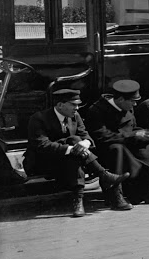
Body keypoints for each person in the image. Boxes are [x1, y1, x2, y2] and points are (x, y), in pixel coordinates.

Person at [23, 89, 122, 217]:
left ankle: (78, 201)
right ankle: (103, 174)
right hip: (43, 162)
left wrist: (85, 143)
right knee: (75, 143)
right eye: (73, 104)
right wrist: (72, 148)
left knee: (75, 150)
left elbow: (86, 136)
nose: (77, 108)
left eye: (78, 104)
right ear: (60, 105)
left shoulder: (75, 116)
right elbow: (42, 146)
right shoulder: (39, 118)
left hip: (70, 159)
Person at [84, 79, 149, 206]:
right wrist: (132, 135)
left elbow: (132, 128)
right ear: (121, 99)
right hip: (103, 150)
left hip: (125, 145)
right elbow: (102, 136)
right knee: (117, 149)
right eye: (132, 101)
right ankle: (115, 195)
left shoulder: (127, 108)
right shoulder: (97, 110)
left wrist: (145, 133)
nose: (134, 105)